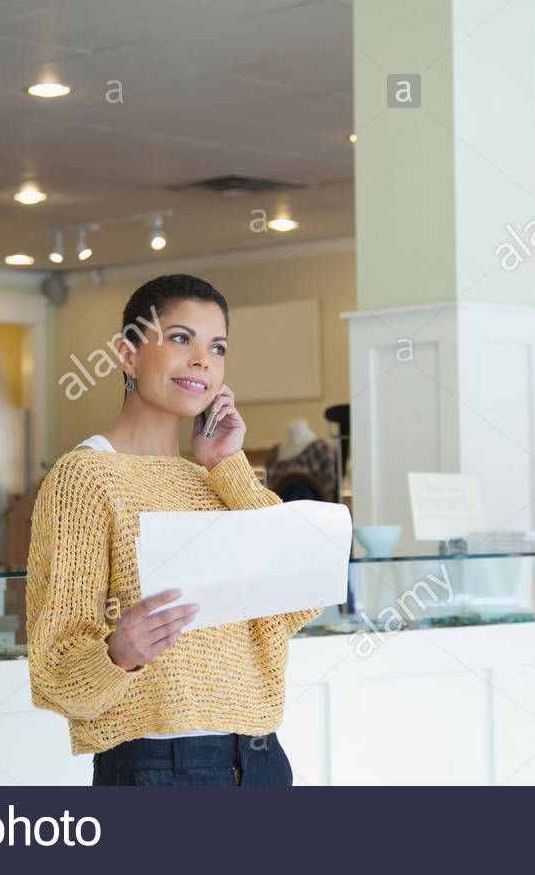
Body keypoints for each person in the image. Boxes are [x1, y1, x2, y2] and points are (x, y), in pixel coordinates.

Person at [26, 274, 322, 786]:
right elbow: (54, 670)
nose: (202, 360)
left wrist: (227, 464)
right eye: (181, 338)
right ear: (127, 355)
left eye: (218, 346)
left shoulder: (214, 478)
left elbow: (300, 595)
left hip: (261, 761)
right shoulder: (85, 477)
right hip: (159, 767)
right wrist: (119, 653)